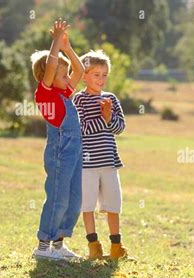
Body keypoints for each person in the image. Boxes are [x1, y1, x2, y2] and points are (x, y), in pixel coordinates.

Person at [30, 18, 84, 261]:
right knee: (58, 196)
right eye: (63, 75)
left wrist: (66, 47)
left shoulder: (64, 91)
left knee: (74, 197)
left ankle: (58, 244)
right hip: (60, 149)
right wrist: (54, 44)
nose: (68, 77)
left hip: (74, 150)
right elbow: (51, 67)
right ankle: (43, 245)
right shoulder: (46, 93)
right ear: (48, 77)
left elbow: (80, 70)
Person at [73, 50, 128, 261]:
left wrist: (109, 117)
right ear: (84, 76)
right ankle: (93, 245)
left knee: (113, 204)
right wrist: (103, 118)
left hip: (109, 162)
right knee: (87, 205)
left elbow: (120, 127)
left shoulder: (111, 98)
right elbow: (82, 129)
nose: (101, 79)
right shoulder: (79, 100)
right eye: (96, 74)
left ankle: (116, 247)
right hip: (87, 164)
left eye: (104, 74)